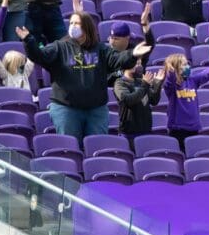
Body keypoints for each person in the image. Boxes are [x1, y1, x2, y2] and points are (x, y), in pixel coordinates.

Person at [16, 16, 151, 142]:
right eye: (71, 23)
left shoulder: (101, 49)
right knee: (69, 149)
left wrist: (132, 54)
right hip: (66, 109)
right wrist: (28, 40)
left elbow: (117, 60)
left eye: (77, 23)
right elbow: (40, 56)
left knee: (98, 151)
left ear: (86, 27)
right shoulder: (60, 46)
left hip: (96, 111)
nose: (73, 26)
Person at [162, 17, 209, 149]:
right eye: (183, 65)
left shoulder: (192, 81)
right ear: (175, 68)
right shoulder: (172, 87)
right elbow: (169, 82)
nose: (187, 66)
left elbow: (208, 73)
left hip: (194, 128)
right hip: (177, 130)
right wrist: (170, 71)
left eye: (187, 63)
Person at [113, 61, 162, 149]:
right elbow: (129, 100)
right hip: (129, 134)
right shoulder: (120, 83)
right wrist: (145, 85)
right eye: (136, 63)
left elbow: (154, 101)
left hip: (146, 131)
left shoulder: (141, 82)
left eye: (140, 64)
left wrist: (157, 84)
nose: (139, 66)